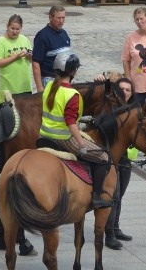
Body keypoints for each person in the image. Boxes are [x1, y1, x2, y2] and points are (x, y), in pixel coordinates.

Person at [39, 52, 113, 209]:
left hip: (44, 135)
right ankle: (96, 196)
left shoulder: (49, 87)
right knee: (103, 157)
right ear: (73, 72)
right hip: (63, 138)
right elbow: (71, 123)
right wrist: (81, 144)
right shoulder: (72, 94)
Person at [94, 75, 137, 249]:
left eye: (128, 90)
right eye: (122, 90)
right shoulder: (109, 108)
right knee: (114, 195)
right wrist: (99, 83)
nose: (125, 93)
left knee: (120, 196)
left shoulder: (132, 111)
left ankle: (115, 227)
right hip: (110, 159)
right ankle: (109, 234)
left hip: (125, 159)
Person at [32, 6, 71, 93]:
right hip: (49, 81)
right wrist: (39, 87)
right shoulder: (42, 36)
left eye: (63, 18)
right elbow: (36, 62)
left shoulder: (64, 34)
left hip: (64, 79)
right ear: (50, 17)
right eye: (58, 18)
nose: (61, 21)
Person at [0, 14, 33, 95]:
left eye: (17, 29)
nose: (15, 31)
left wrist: (29, 56)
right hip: (8, 88)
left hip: (25, 86)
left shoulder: (24, 39)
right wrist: (15, 57)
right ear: (7, 27)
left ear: (21, 28)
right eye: (12, 28)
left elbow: (32, 60)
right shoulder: (1, 42)